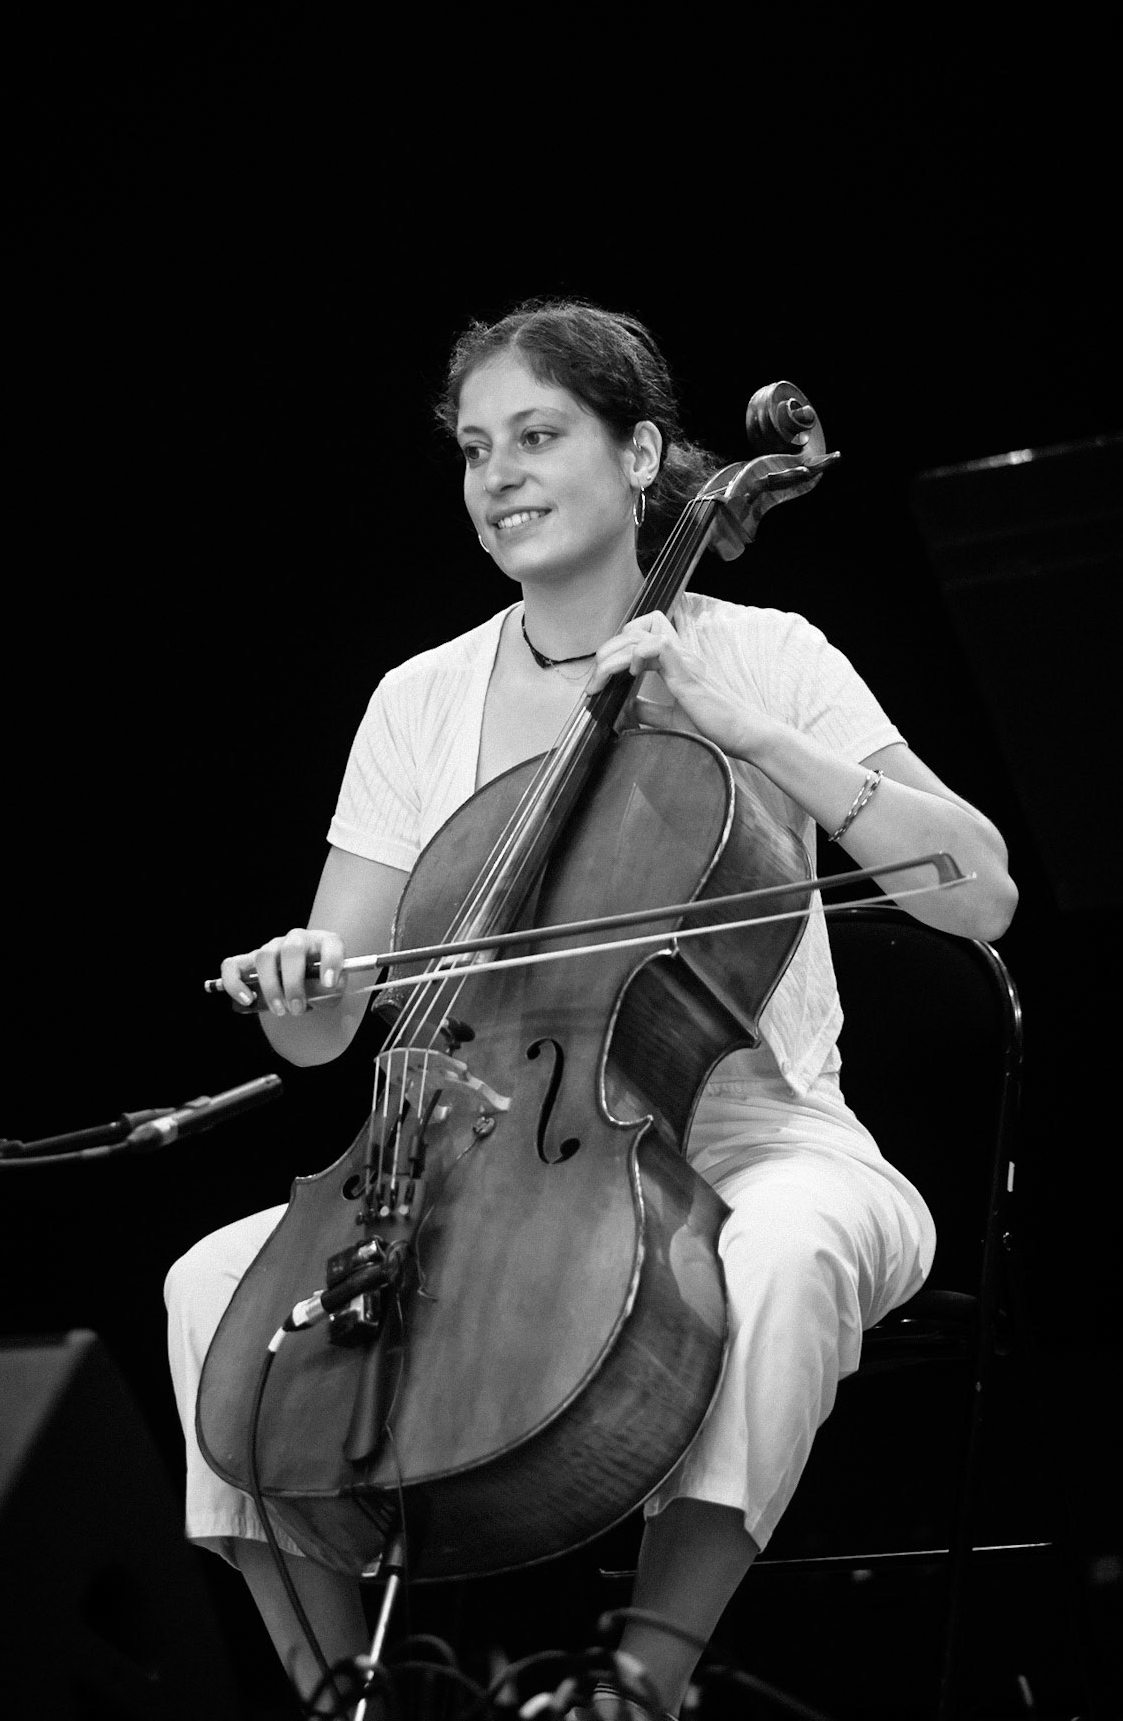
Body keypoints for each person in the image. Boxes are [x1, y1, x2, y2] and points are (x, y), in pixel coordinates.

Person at [165, 299, 1017, 1719]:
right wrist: (299, 983)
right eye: (474, 448)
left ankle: (638, 1683)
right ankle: (328, 1694)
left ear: (638, 456)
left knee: (786, 1255)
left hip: (754, 1138)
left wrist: (738, 722)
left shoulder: (769, 657)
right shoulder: (418, 701)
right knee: (209, 1287)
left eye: (537, 436)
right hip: (460, 1157)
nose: (496, 475)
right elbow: (337, 1020)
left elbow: (973, 891)